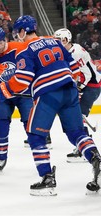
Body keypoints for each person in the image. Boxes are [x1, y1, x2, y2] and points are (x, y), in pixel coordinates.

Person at [0, 15, 101, 196]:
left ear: (22, 31)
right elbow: (74, 67)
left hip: (49, 94)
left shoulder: (25, 51)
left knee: (35, 136)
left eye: (17, 32)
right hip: (70, 90)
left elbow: (21, 80)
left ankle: (47, 178)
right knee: (76, 133)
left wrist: (2, 88)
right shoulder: (54, 41)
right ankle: (96, 160)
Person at [0, 27, 33, 172]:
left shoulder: (19, 47)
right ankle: (1, 158)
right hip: (2, 96)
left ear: (5, 40)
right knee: (1, 126)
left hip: (23, 93)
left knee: (30, 125)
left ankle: (38, 154)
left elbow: (30, 68)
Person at [54, 28, 101, 163]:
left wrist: (78, 88)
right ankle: (84, 147)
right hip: (88, 86)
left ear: (67, 40)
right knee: (77, 117)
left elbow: (87, 75)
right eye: (57, 40)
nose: (58, 43)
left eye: (61, 40)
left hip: (91, 87)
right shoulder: (71, 50)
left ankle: (86, 150)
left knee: (78, 118)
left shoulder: (76, 53)